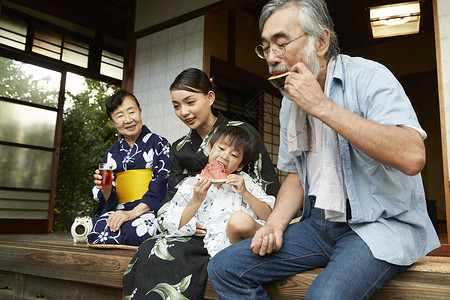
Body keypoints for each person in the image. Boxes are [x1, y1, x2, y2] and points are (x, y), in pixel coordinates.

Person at [207, 0, 441, 299]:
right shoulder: (290, 103)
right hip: (318, 224)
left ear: (321, 41)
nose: (271, 57)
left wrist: (322, 106)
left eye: (280, 44)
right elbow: (296, 176)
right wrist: (275, 224)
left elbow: (412, 156)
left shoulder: (369, 76)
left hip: (377, 224)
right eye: (265, 47)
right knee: (225, 267)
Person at [122, 68, 280, 299]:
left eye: (190, 102)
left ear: (210, 97)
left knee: (180, 257)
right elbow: (170, 201)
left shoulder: (242, 133)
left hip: (236, 223)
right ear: (209, 149)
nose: (184, 111)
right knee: (151, 248)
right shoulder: (179, 148)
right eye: (176, 106)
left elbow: (265, 186)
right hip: (194, 224)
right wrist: (188, 219)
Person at [165, 126, 275, 257]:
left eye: (234, 155)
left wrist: (245, 192)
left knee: (239, 220)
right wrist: (196, 200)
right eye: (221, 149)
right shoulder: (190, 185)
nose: (225, 156)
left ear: (240, 166)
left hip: (249, 237)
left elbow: (268, 216)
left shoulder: (244, 181)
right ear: (209, 149)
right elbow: (172, 224)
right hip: (218, 246)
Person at [87, 89, 170, 246]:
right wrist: (104, 188)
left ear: (140, 111)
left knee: (139, 229)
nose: (128, 119)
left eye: (131, 111)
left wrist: (132, 213)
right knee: (97, 229)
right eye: (119, 116)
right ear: (112, 121)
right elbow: (107, 197)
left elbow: (162, 182)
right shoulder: (111, 154)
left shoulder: (159, 143)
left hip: (149, 209)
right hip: (120, 209)